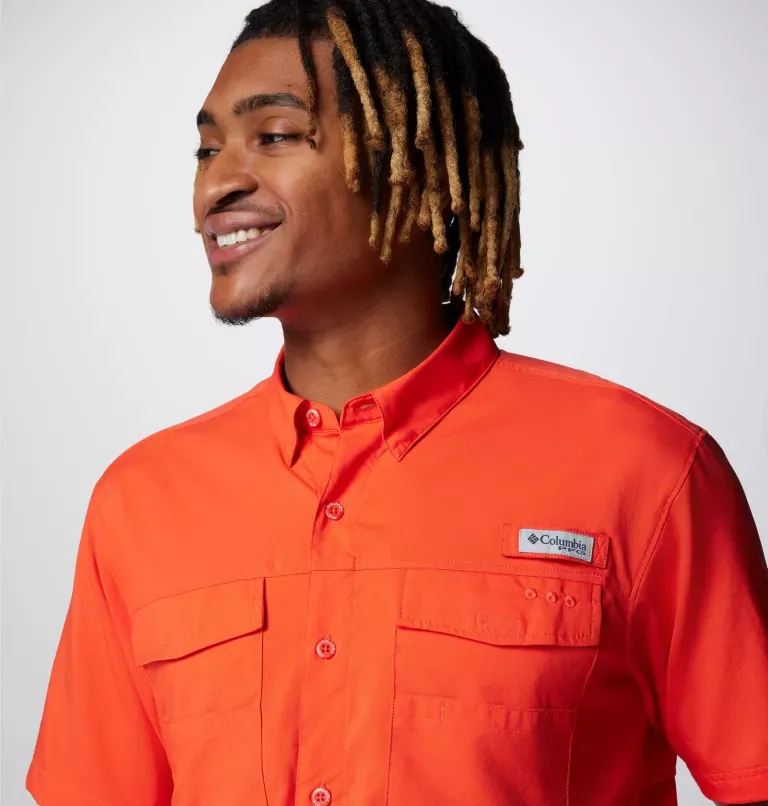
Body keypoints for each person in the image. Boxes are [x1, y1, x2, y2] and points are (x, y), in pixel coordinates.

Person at [26, 1, 768, 804]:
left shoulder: (645, 471)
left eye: (274, 135)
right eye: (207, 149)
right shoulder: (141, 500)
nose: (217, 182)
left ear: (414, 163)